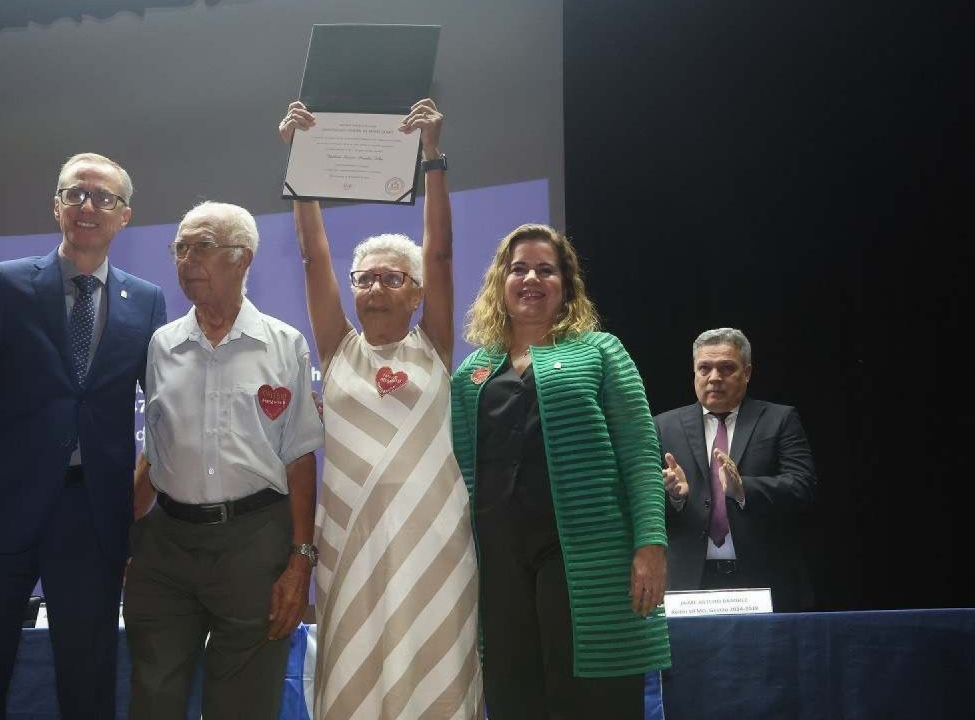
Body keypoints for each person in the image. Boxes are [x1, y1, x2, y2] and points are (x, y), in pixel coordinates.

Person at [0, 152, 167, 719]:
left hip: (93, 521)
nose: (88, 206)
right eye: (76, 193)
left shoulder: (147, 301)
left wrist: (143, 516)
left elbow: (161, 416)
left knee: (88, 686)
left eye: (104, 198)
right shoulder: (7, 284)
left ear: (124, 216)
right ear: (57, 206)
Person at [280, 99, 483, 719]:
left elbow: (441, 251)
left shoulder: (436, 346)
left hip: (435, 535)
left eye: (393, 278)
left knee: (435, 669)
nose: (374, 287)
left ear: (418, 292)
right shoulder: (338, 350)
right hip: (349, 538)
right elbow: (315, 257)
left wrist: (432, 156)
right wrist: (300, 165)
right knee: (354, 674)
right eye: (365, 277)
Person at [451, 224, 671, 719]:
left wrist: (650, 543)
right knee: (513, 696)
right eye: (519, 269)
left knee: (594, 698)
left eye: (546, 270)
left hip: (587, 557)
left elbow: (639, 454)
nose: (531, 278)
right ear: (499, 283)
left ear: (565, 285)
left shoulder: (602, 351)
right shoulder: (471, 374)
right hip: (500, 564)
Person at [125, 201, 324, 719]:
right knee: (154, 696)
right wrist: (121, 534)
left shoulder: (285, 344)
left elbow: (301, 457)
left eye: (202, 246)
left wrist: (300, 559)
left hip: (255, 543)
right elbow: (155, 450)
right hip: (167, 545)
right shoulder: (161, 345)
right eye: (181, 248)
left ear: (243, 258)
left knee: (245, 705)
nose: (187, 259)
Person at [655, 327, 817, 612]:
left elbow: (802, 486)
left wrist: (744, 489)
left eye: (726, 368)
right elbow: (639, 506)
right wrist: (674, 497)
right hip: (687, 584)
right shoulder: (663, 426)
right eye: (704, 368)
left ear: (747, 372)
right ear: (694, 372)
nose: (714, 377)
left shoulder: (779, 419)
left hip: (762, 579)